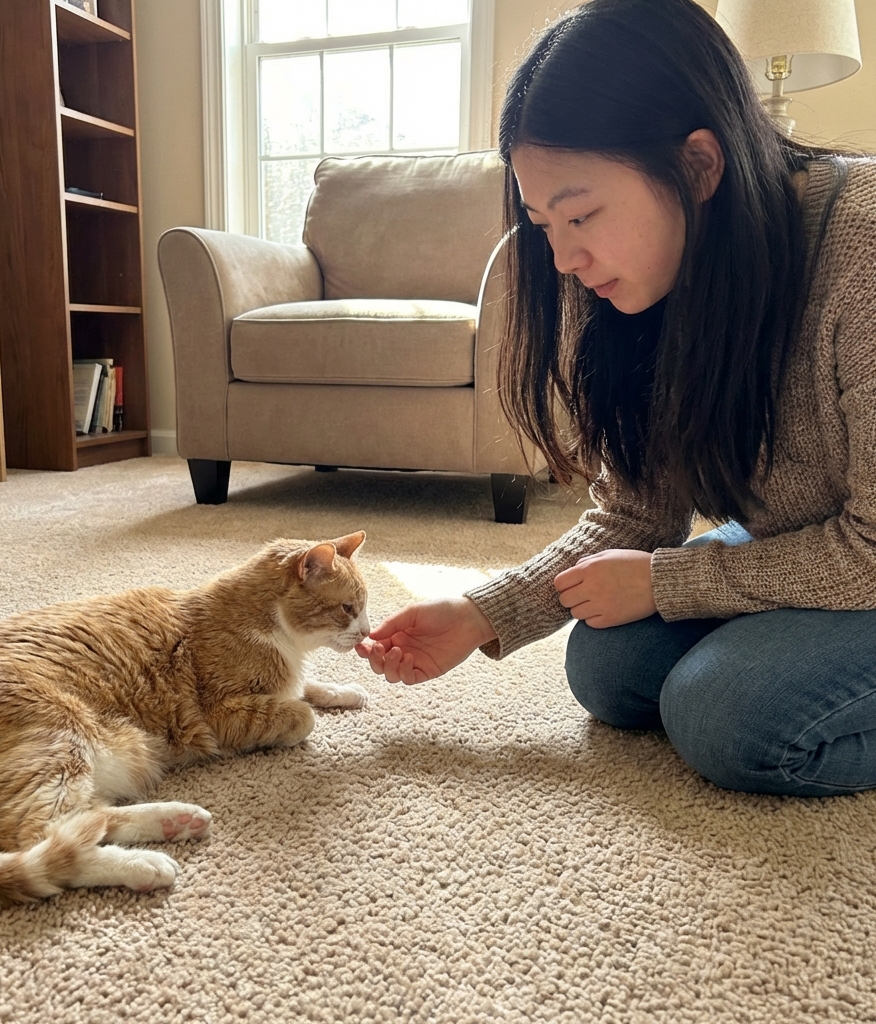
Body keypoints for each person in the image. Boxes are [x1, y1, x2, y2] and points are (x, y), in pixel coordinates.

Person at [356, 0, 876, 796]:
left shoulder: (861, 249)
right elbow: (634, 515)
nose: (563, 257)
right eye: (541, 224)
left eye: (581, 213)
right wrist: (482, 612)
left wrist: (671, 584)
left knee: (730, 717)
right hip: (818, 545)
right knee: (611, 666)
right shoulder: (650, 282)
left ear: (700, 167)